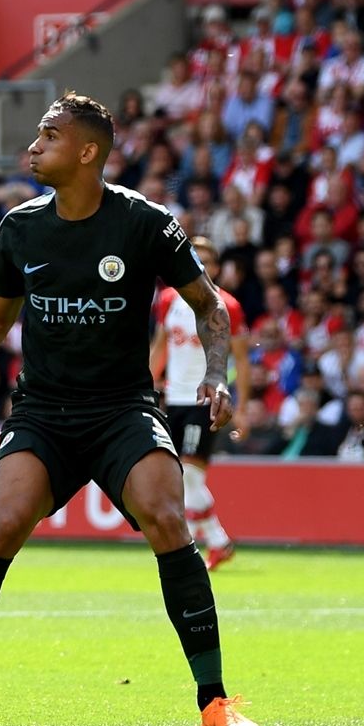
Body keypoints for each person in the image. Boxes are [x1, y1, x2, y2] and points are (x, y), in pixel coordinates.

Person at [0, 94, 261, 726]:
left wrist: (217, 375)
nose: (33, 146)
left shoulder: (146, 223)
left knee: (169, 517)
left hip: (122, 411)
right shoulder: (20, 226)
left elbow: (208, 306)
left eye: (49, 136)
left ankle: (215, 702)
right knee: (3, 523)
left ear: (88, 152)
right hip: (44, 413)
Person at [152, 236, 249, 570]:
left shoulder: (227, 305)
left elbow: (242, 361)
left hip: (204, 399)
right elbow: (161, 346)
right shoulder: (168, 300)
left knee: (189, 477)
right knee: (180, 477)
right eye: (197, 260)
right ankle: (216, 542)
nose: (201, 267)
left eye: (208, 261)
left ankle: (204, 543)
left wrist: (244, 407)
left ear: (217, 267)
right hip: (173, 399)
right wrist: (147, 384)